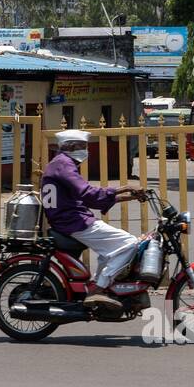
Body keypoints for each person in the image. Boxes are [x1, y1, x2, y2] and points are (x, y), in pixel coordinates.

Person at [41, 128, 147, 312]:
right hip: (73, 221)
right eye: (83, 146)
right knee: (130, 243)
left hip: (70, 219)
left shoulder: (59, 163)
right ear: (71, 146)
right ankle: (99, 287)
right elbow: (88, 194)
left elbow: (87, 197)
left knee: (110, 251)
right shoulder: (64, 164)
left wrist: (128, 196)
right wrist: (124, 187)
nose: (86, 150)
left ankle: (99, 284)